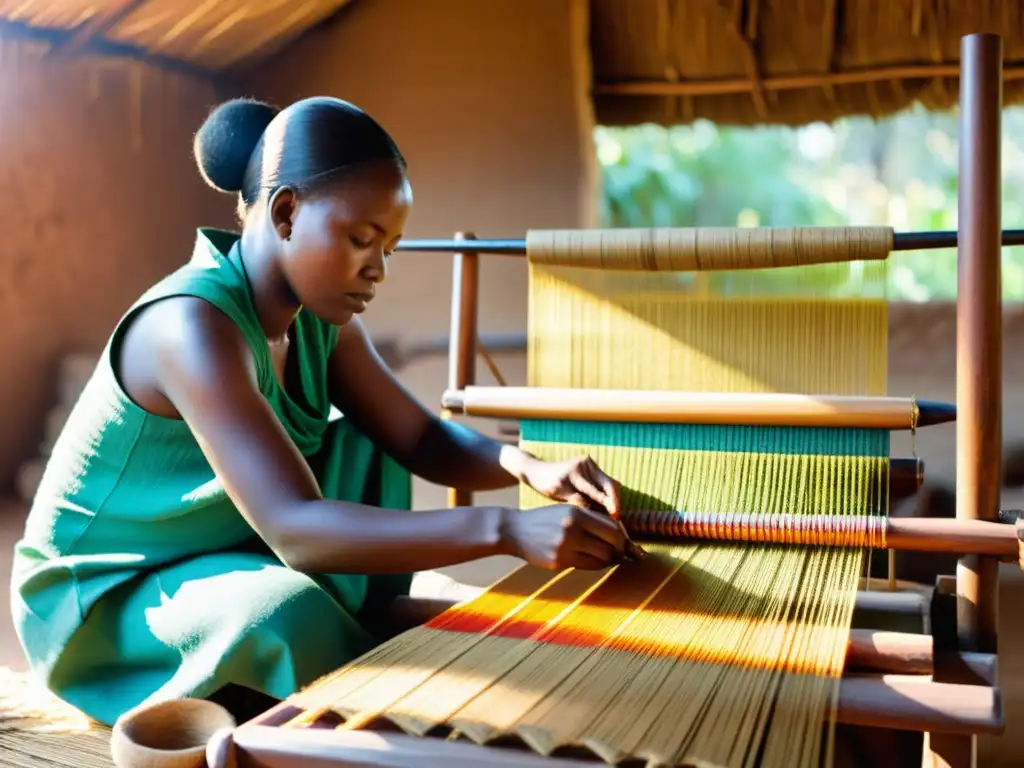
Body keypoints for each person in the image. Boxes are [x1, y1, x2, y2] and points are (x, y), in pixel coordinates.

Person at [10, 96, 640, 727]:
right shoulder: (191, 326)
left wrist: (527, 467)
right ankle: (346, 659)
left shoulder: (319, 322)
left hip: (218, 554)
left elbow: (418, 437)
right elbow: (294, 528)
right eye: (361, 239)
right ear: (285, 213)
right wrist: (506, 530)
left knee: (365, 445)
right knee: (283, 613)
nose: (378, 270)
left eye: (389, 248)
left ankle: (346, 639)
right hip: (100, 598)